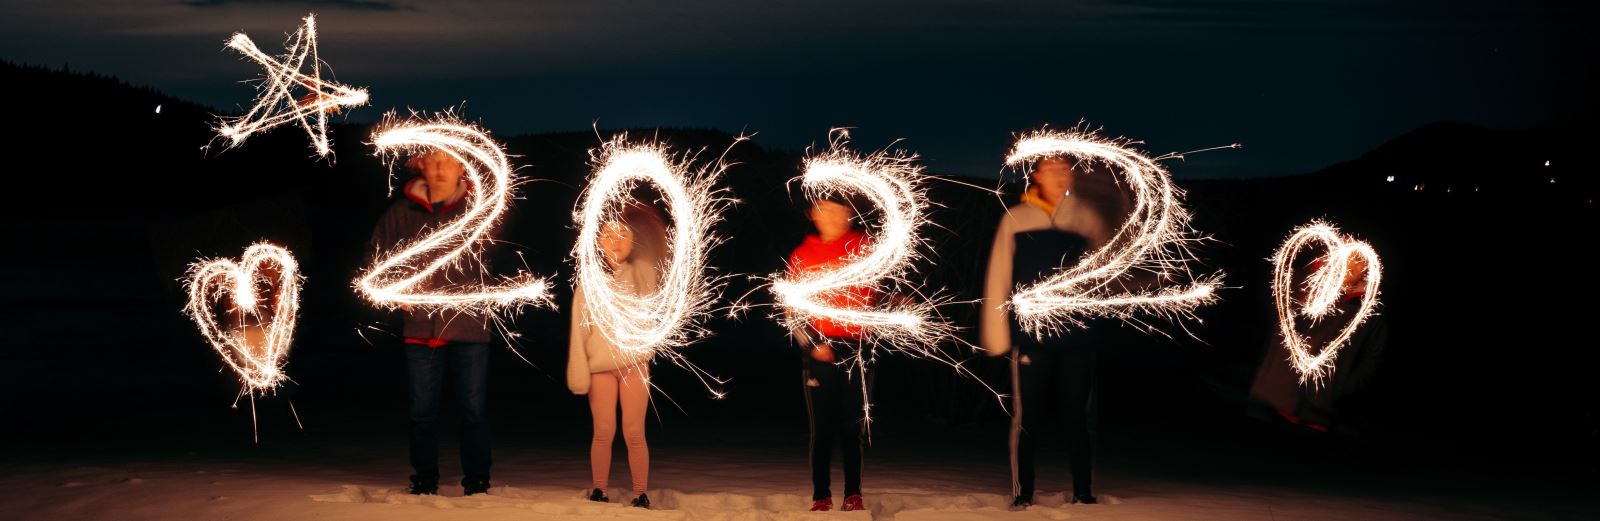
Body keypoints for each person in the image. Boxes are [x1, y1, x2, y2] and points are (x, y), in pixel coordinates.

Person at [982, 156, 1119, 508]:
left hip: (1078, 337)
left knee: (1078, 417)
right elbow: (999, 276)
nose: (1059, 175)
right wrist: (997, 335)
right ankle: (1022, 492)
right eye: (1051, 170)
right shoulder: (1016, 217)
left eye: (1064, 170)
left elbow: (1105, 273)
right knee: (1027, 418)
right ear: (1036, 175)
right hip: (1032, 338)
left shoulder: (1086, 217)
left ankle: (1083, 491)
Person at [367, 150, 495, 496]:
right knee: (422, 411)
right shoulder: (400, 214)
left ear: (461, 167)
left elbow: (502, 255)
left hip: (469, 327)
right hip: (420, 328)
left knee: (473, 410)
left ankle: (478, 480)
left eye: (449, 160)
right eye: (433, 160)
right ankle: (424, 479)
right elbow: (375, 260)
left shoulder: (479, 209)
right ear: (420, 165)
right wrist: (394, 289)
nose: (440, 168)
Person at [568, 201, 666, 509]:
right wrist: (579, 369)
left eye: (622, 235)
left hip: (634, 363)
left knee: (634, 431)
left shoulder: (642, 274)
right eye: (608, 235)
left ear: (633, 240)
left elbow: (658, 255)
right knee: (604, 430)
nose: (615, 241)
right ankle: (599, 488)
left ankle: (641, 493)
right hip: (600, 368)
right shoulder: (590, 283)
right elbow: (578, 332)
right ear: (598, 241)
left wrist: (647, 221)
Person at [787, 196, 876, 512]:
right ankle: (820, 495)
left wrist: (899, 300)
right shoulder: (801, 256)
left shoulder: (866, 249)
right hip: (818, 350)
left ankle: (853, 493)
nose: (832, 217)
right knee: (822, 428)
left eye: (839, 211)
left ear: (849, 214)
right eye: (824, 210)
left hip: (857, 349)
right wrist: (813, 344)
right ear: (813, 214)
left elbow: (883, 292)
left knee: (853, 427)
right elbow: (792, 314)